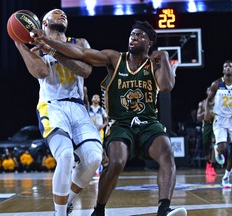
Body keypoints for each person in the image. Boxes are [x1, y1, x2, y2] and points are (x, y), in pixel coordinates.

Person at [31, 20, 187, 216]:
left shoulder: (154, 63)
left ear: (149, 43)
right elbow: (82, 54)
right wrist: (49, 43)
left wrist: (164, 58)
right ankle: (99, 209)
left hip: (148, 122)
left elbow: (166, 87)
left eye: (139, 35)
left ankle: (164, 209)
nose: (134, 38)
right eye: (132, 34)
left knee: (167, 154)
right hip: (120, 123)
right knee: (117, 162)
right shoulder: (115, 58)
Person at [14, 9, 103, 216]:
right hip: (52, 105)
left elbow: (85, 70)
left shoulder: (80, 43)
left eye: (64, 14)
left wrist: (53, 50)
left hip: (78, 106)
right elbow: (42, 72)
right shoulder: (35, 51)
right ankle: (60, 214)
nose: (62, 15)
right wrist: (18, 41)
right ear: (43, 22)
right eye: (56, 13)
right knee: (65, 156)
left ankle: (68, 201)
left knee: (94, 158)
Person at [204, 60, 232, 189]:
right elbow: (209, 100)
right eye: (225, 67)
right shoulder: (216, 84)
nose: (228, 68)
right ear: (223, 70)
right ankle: (217, 149)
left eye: (230, 66)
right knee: (223, 149)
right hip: (220, 119)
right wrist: (207, 112)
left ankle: (226, 177)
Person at [196, 86, 217, 176]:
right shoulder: (202, 104)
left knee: (214, 143)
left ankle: (212, 165)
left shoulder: (218, 103)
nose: (211, 92)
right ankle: (208, 164)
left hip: (216, 124)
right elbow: (198, 117)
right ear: (207, 92)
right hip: (207, 125)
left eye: (212, 91)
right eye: (209, 90)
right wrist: (207, 113)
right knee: (206, 146)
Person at [89, 94, 109, 179]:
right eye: (94, 97)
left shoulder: (101, 109)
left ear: (100, 100)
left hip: (99, 132)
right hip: (90, 131)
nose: (96, 98)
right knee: (90, 150)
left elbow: (107, 119)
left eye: (98, 97)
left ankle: (97, 171)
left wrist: (103, 125)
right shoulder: (88, 109)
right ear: (91, 99)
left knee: (98, 149)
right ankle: (91, 170)